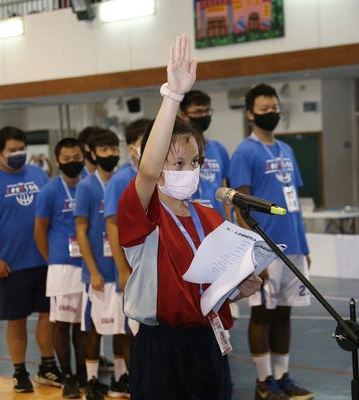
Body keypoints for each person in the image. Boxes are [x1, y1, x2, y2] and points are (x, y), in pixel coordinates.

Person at [117, 34, 261, 400]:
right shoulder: (142, 212)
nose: (189, 169)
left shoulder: (208, 216)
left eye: (195, 162)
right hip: (162, 347)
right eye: (177, 162)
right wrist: (173, 96)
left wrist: (239, 291)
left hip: (209, 341)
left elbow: (210, 290)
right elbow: (148, 171)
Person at [228, 83, 314, 400]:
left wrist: (305, 244)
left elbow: (293, 202)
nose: (272, 113)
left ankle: (283, 376)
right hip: (265, 246)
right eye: (265, 109)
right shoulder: (244, 152)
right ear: (250, 114)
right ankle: (264, 381)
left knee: (285, 312)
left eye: (275, 108)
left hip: (293, 246)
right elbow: (240, 207)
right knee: (262, 312)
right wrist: (252, 252)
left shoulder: (287, 150)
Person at [0, 127, 62, 393]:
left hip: (44, 261)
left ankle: (47, 366)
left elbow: (52, 212)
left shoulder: (37, 174)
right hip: (12, 265)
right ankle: (19, 371)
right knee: (17, 320)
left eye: (21, 148)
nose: (18, 154)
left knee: (48, 316)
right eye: (12, 150)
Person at [34, 138, 87, 398]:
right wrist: (52, 260)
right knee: (63, 322)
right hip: (62, 266)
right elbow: (39, 230)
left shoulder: (90, 185)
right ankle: (66, 376)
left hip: (90, 265)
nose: (72, 162)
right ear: (57, 161)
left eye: (76, 157)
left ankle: (82, 373)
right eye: (66, 159)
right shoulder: (49, 191)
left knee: (84, 324)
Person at [74, 128, 125, 400]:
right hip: (97, 271)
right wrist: (92, 270)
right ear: (92, 154)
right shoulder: (86, 186)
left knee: (120, 326)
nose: (110, 154)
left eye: (114, 149)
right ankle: (91, 380)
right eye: (104, 150)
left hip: (118, 270)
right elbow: (81, 230)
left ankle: (120, 377)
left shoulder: (120, 182)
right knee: (94, 327)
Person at [103, 118, 149, 396]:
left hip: (157, 264)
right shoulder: (120, 180)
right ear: (132, 149)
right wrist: (122, 268)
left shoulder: (161, 173)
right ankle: (135, 383)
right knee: (134, 331)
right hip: (133, 267)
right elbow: (112, 225)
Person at [179, 90, 231, 219]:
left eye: (206, 111)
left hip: (218, 221)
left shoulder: (219, 149)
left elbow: (225, 191)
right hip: (190, 219)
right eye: (198, 112)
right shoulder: (177, 150)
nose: (203, 115)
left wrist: (229, 222)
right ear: (183, 115)